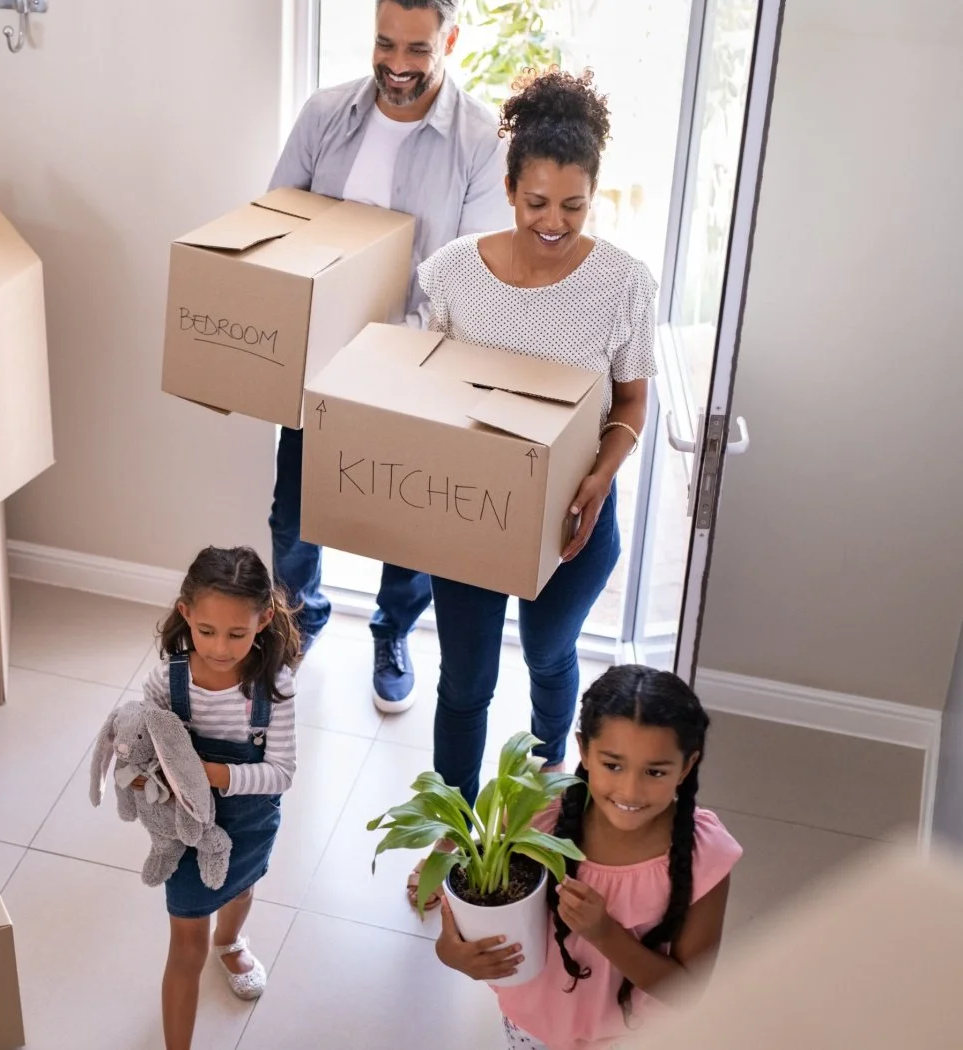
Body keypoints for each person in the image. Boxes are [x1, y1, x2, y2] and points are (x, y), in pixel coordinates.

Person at [416, 68, 658, 804]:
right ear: (509, 185)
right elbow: (425, 388)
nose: (553, 222)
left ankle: (551, 775)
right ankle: (450, 830)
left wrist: (601, 476)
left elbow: (632, 402)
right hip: (471, 512)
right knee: (465, 682)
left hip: (575, 516)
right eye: (536, 203)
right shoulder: (454, 272)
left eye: (574, 206)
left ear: (594, 196)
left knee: (551, 654)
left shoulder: (624, 284)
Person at [267, 0, 512, 714]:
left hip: (416, 366)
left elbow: (469, 275)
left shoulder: (481, 140)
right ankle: (298, 619)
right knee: (294, 512)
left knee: (404, 524)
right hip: (318, 362)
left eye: (417, 48)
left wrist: (388, 346)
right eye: (384, 44)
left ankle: (392, 631)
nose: (397, 64)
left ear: (452, 40)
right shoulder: (325, 115)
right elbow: (277, 219)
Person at [433, 665, 742, 1049]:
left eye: (655, 772)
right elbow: (469, 918)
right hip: (532, 1028)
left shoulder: (704, 858)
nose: (630, 790)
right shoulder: (534, 818)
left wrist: (606, 934)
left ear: (687, 766)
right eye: (613, 765)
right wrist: (452, 953)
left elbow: (689, 991)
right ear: (583, 749)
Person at [142, 546, 302, 1050]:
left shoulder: (273, 686)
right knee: (185, 946)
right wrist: (151, 778)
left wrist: (208, 773)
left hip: (249, 821)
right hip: (187, 828)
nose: (219, 647)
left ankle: (231, 941)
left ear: (264, 620)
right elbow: (143, 750)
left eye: (237, 633)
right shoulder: (165, 682)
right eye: (206, 631)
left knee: (241, 888)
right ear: (185, 613)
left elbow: (281, 774)